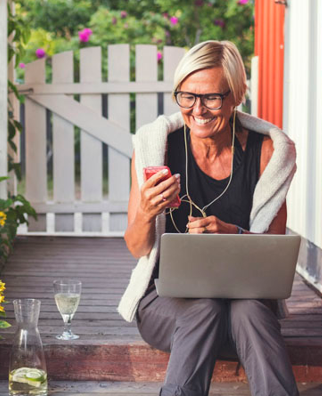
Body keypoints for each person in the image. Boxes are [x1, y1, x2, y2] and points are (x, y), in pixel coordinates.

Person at [117, 40, 299, 396]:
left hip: (244, 306)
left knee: (250, 312)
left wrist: (235, 234)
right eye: (186, 96)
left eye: (211, 98)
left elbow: (275, 257)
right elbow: (137, 248)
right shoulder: (158, 148)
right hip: (165, 304)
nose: (197, 109)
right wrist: (148, 211)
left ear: (235, 96)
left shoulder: (267, 154)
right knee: (204, 307)